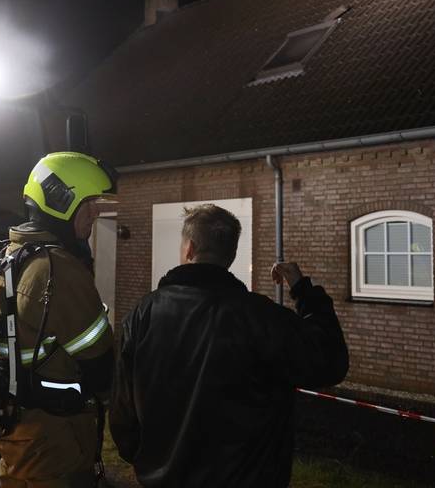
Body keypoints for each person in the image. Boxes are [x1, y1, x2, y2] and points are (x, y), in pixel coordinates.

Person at [109, 203, 349, 488]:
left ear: (189, 249)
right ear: (231, 255)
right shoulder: (261, 317)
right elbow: (329, 360)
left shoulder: (142, 314)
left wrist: (148, 460)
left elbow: (123, 414)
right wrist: (303, 291)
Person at [0, 151, 118, 487]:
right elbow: (102, 363)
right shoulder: (57, 270)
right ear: (60, 202)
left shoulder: (13, 255)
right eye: (89, 201)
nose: (97, 211)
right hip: (55, 441)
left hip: (22, 436)